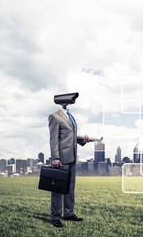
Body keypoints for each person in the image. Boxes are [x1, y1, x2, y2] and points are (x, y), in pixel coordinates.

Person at [48, 94, 93, 228]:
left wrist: (83, 140)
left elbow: (70, 136)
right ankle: (55, 217)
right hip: (61, 158)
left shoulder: (70, 116)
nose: (73, 101)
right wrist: (55, 157)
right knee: (58, 189)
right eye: (71, 99)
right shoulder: (54, 117)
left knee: (70, 188)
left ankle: (68, 213)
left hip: (72, 156)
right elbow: (54, 139)